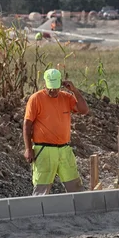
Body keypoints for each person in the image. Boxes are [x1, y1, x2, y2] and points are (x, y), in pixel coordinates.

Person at [23, 68, 89, 196]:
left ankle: (79, 213)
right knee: (42, 189)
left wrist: (74, 90)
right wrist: (28, 148)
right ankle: (40, 213)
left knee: (75, 187)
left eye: (56, 88)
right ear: (45, 84)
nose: (53, 91)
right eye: (50, 88)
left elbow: (84, 110)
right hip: (44, 150)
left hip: (64, 150)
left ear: (61, 84)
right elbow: (27, 124)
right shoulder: (36, 99)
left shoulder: (67, 97)